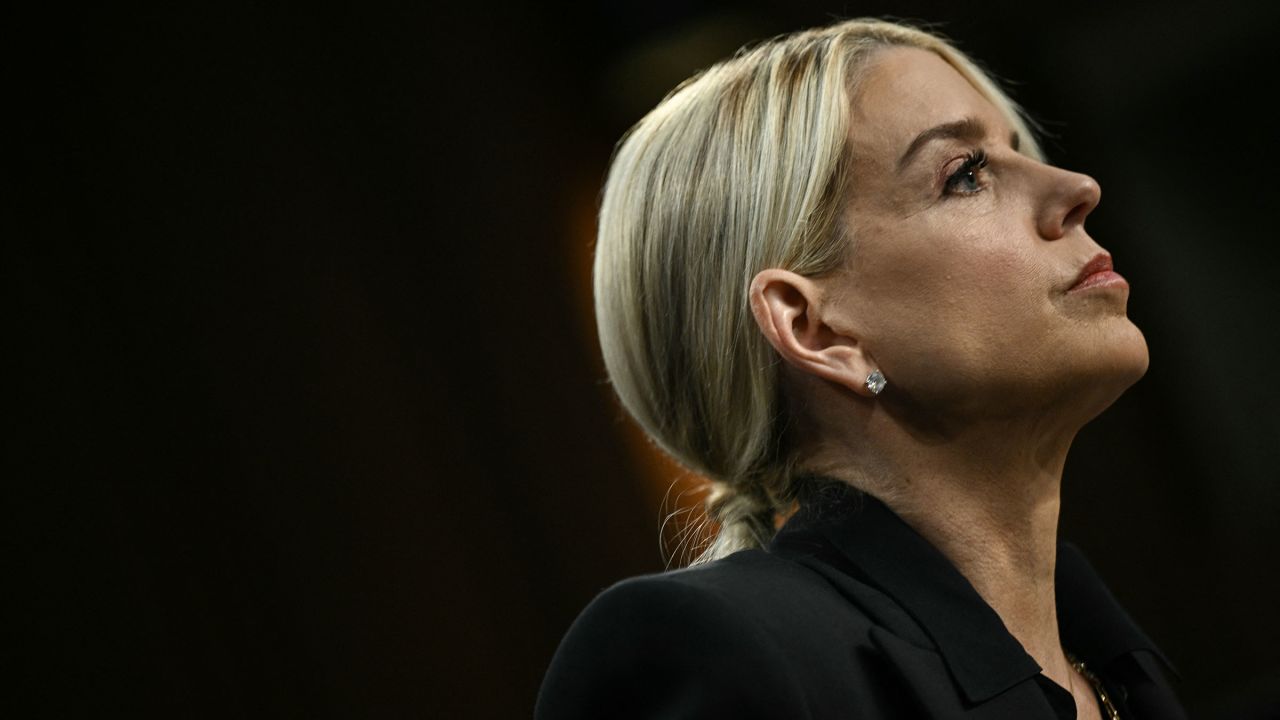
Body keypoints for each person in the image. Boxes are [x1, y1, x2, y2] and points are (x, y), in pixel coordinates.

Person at [537, 17, 1187, 719]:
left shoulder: (1117, 666)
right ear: (816, 329)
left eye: (1016, 149)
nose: (1077, 187)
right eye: (966, 175)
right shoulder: (708, 655)